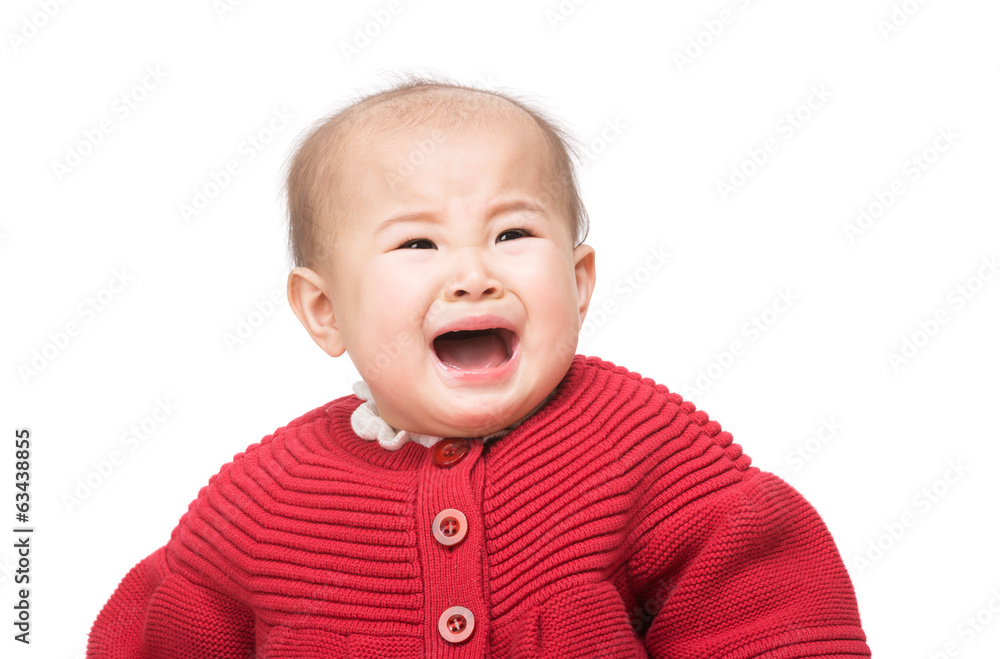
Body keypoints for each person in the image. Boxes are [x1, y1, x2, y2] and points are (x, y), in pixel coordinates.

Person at [88, 76, 871, 657]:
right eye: (418, 243)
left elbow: (765, 612)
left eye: (512, 234)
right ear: (325, 311)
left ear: (579, 281)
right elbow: (162, 632)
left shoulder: (645, 447)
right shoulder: (262, 503)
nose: (473, 274)